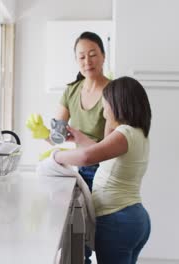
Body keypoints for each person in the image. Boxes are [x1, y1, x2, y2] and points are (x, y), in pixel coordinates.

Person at [53, 76, 152, 264]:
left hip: (117, 219)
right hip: (133, 218)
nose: (105, 113)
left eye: (105, 106)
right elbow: (102, 152)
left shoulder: (124, 133)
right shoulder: (137, 133)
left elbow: (87, 157)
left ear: (118, 105)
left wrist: (55, 156)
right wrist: (78, 138)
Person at [26, 31, 111, 192]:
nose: (87, 61)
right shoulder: (71, 91)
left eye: (92, 54)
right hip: (81, 167)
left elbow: (110, 150)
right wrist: (43, 132)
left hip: (106, 172)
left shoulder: (114, 92)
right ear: (76, 60)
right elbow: (56, 138)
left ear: (103, 56)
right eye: (81, 57)